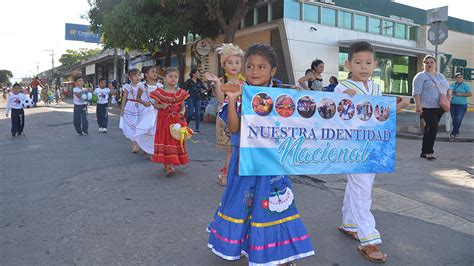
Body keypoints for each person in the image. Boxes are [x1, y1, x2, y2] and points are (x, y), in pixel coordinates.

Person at [207, 43, 315, 265]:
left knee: (275, 206)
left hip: (273, 164)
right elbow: (234, 129)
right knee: (243, 204)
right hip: (244, 164)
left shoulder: (284, 97)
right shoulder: (240, 93)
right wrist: (233, 99)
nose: (255, 71)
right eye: (250, 66)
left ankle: (278, 252)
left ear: (273, 71)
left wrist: (300, 100)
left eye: (262, 67)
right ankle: (247, 248)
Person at [334, 41, 387, 263]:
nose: (363, 67)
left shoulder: (376, 88)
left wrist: (398, 107)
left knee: (358, 186)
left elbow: (378, 115)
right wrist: (345, 100)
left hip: (371, 145)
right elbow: (336, 116)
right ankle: (368, 239)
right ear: (348, 64)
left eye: (368, 63)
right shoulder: (341, 88)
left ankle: (349, 223)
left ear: (375, 64)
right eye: (358, 62)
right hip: (351, 147)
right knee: (362, 189)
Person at [205, 43, 245, 186]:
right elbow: (221, 101)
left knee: (239, 150)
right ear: (224, 65)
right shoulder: (222, 82)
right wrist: (216, 82)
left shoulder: (244, 82)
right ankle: (226, 176)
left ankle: (229, 174)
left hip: (241, 118)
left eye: (237, 62)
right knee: (232, 151)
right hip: (226, 117)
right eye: (230, 62)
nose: (234, 65)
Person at [150, 67, 189, 176]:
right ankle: (168, 165)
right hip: (163, 120)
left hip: (176, 121)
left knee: (175, 140)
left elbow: (183, 107)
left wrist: (182, 113)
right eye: (170, 76)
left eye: (176, 77)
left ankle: (171, 163)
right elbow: (155, 105)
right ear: (165, 78)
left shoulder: (180, 93)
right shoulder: (160, 92)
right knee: (165, 141)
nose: (173, 79)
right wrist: (162, 105)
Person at [413, 55, 450, 160]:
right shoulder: (420, 76)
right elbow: (416, 92)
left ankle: (424, 151)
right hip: (427, 107)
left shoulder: (441, 76)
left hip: (440, 107)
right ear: (423, 65)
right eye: (427, 63)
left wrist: (449, 97)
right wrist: (418, 105)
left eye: (431, 62)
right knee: (433, 128)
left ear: (435, 64)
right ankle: (429, 152)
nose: (429, 64)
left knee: (429, 129)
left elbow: (448, 88)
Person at [135, 66, 163, 155]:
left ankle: (152, 151)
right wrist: (144, 103)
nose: (155, 73)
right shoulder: (142, 85)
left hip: (156, 111)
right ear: (146, 74)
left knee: (154, 130)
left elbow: (162, 98)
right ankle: (145, 147)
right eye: (152, 72)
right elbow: (138, 98)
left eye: (156, 72)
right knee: (146, 129)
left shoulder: (159, 86)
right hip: (146, 111)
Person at [119, 69, 143, 153]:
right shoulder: (127, 87)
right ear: (130, 77)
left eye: (139, 75)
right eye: (135, 75)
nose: (137, 77)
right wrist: (122, 110)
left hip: (140, 107)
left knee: (140, 125)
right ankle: (134, 145)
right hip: (130, 107)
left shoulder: (142, 86)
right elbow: (124, 98)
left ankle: (140, 144)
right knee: (132, 126)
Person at [448, 73, 472, 141]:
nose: (459, 78)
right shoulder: (452, 85)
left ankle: (453, 134)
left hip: (462, 105)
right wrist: (450, 92)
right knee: (454, 119)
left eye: (461, 77)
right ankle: (456, 132)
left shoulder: (465, 86)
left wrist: (460, 94)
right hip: (452, 105)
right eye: (458, 77)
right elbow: (450, 90)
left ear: (462, 78)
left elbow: (470, 94)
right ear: (455, 78)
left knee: (458, 119)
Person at [184, 69, 207, 133]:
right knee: (190, 113)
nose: (198, 74)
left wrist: (202, 92)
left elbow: (205, 89)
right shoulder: (189, 81)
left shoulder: (199, 81)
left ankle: (197, 129)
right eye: (197, 73)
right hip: (191, 98)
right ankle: (186, 126)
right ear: (193, 74)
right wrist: (186, 94)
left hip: (198, 98)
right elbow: (184, 89)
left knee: (197, 114)